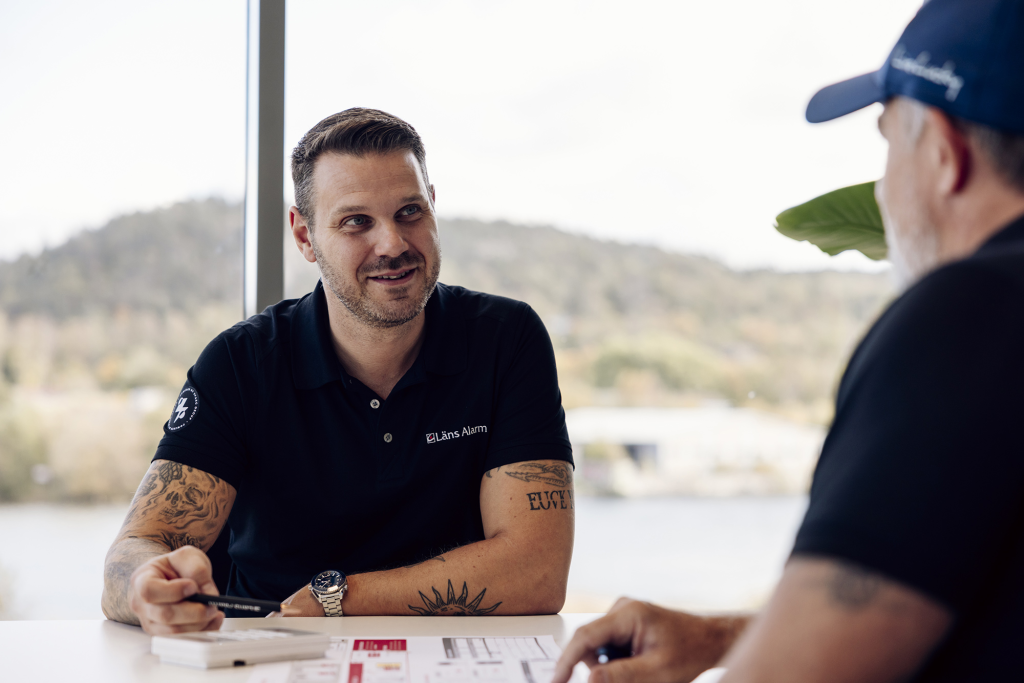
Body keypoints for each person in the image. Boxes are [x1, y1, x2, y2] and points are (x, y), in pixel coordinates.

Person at [554, 1, 1024, 681]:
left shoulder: (970, 314)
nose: (884, 191)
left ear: (945, 155)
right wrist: (720, 636)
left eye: (888, 144)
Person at [101, 108, 576, 635]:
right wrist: (147, 588)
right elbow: (138, 547)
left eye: (410, 211)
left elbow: (537, 571)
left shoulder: (506, 338)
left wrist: (335, 599)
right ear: (305, 236)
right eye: (356, 222)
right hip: (268, 651)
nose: (392, 244)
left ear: (433, 207)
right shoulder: (241, 363)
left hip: (453, 654)